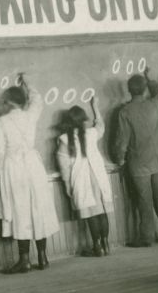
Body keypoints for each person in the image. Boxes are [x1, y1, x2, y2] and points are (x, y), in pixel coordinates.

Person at [0, 73, 59, 274]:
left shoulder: (1, 122)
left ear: (8, 102)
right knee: (37, 208)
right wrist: (28, 82)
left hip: (13, 168)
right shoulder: (31, 114)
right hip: (33, 165)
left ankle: (24, 260)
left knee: (20, 211)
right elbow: (37, 99)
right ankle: (43, 257)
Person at [115, 67, 158, 247]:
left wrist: (119, 158)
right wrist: (150, 79)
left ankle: (147, 237)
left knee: (144, 201)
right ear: (144, 89)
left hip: (138, 163)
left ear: (128, 90)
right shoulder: (154, 104)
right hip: (157, 159)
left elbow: (122, 140)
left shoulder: (125, 112)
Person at [56, 97, 113, 257]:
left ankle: (97, 247)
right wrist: (95, 107)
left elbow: (64, 166)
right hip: (98, 178)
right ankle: (106, 244)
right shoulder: (91, 133)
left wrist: (67, 185)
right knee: (101, 212)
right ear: (83, 121)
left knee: (91, 214)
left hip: (81, 181)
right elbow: (101, 125)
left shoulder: (64, 139)